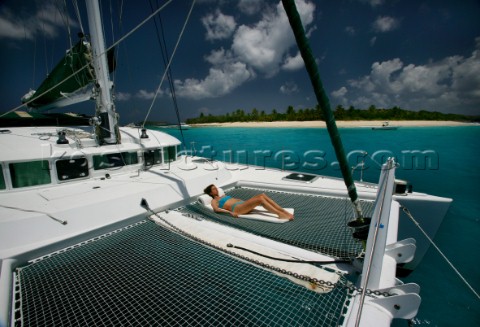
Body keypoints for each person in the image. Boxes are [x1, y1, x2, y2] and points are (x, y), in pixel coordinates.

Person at [203, 184, 294, 220]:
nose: (216, 189)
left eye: (215, 187)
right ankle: (279, 214)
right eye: (214, 189)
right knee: (260, 200)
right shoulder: (214, 201)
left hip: (242, 205)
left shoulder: (223, 195)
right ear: (211, 193)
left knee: (262, 195)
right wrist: (230, 212)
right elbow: (216, 210)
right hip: (237, 209)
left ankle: (283, 211)